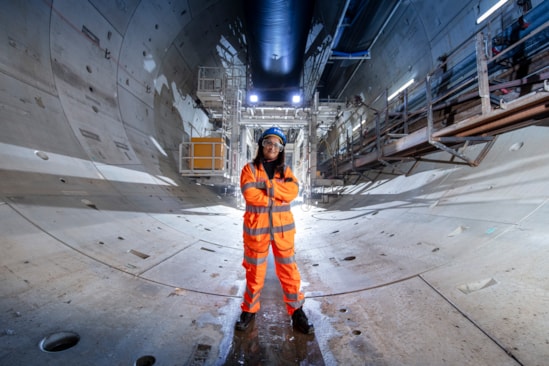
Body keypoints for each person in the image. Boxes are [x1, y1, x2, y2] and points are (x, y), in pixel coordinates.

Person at [235, 126, 314, 335]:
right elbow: (250, 194)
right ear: (261, 145)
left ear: (281, 150)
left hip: (282, 233)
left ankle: (297, 312)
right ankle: (249, 311)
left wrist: (267, 187)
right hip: (257, 231)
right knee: (254, 274)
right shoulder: (249, 169)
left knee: (289, 273)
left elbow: (293, 192)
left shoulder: (285, 171)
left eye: (276, 145)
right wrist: (277, 195)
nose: (272, 147)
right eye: (268, 142)